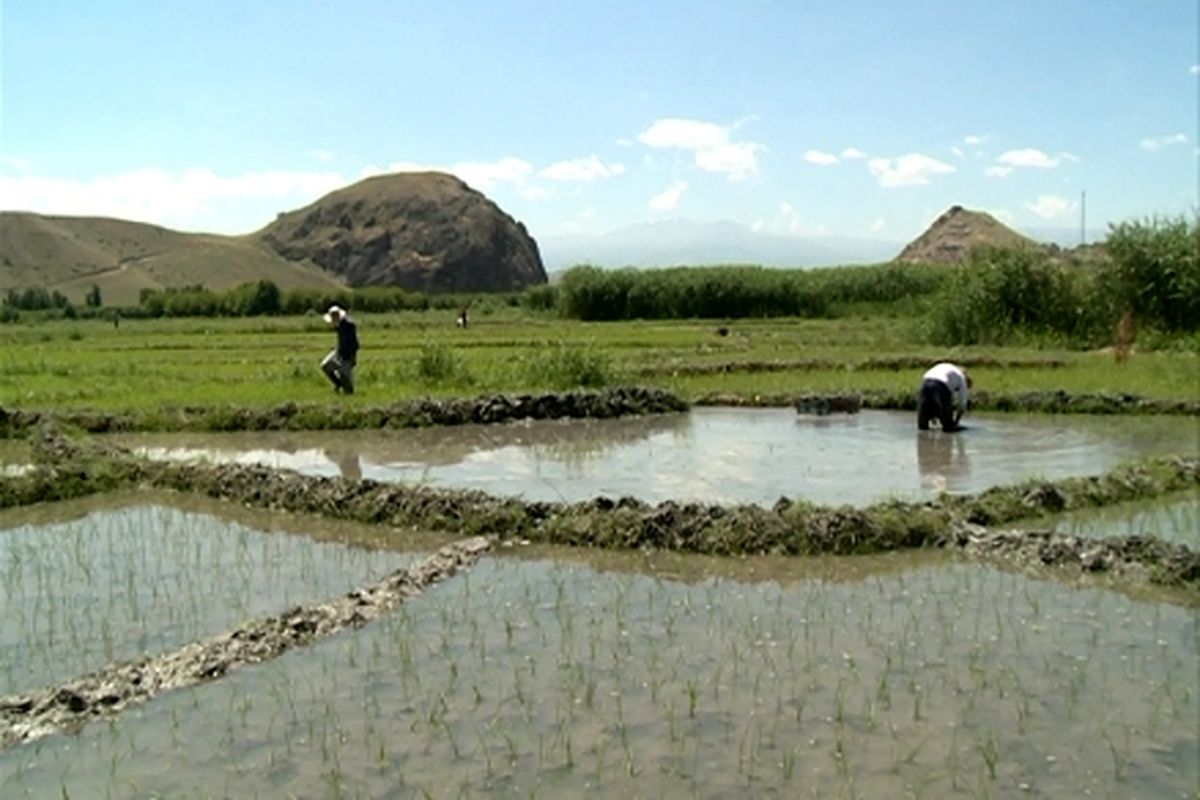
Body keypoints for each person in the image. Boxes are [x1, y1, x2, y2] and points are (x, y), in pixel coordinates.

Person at [917, 362, 971, 431]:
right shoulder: (962, 378)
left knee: (922, 425)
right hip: (940, 385)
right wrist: (956, 422)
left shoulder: (948, 368)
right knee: (948, 426)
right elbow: (962, 405)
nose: (955, 391)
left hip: (925, 383)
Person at [320, 305, 359, 394]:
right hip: (339, 351)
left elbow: (354, 344)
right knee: (325, 365)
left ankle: (348, 392)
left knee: (345, 377)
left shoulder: (349, 326)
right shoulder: (339, 326)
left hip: (348, 355)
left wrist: (350, 358)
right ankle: (338, 384)